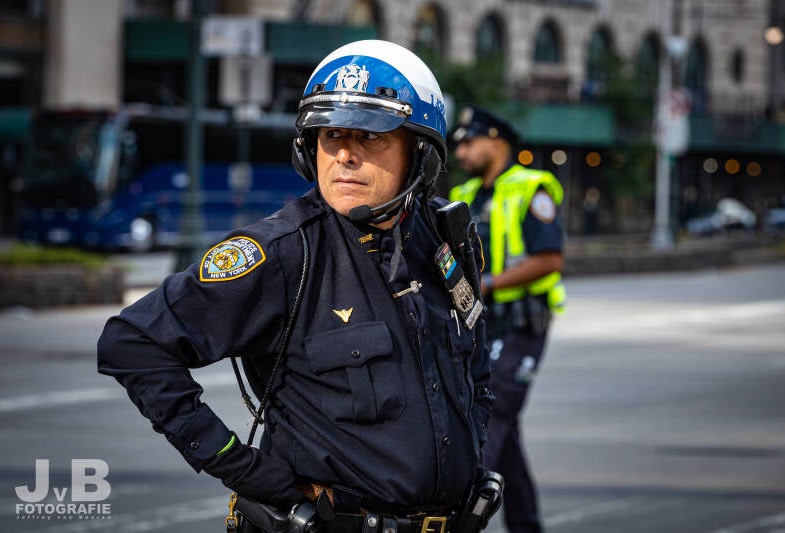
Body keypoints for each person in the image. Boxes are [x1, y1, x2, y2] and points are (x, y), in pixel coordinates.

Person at [97, 40, 499, 533]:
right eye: (331, 135)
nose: (345, 154)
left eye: (370, 137)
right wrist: (241, 467)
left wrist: (472, 446)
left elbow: (475, 357)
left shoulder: (445, 240)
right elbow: (132, 341)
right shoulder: (283, 251)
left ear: (421, 154)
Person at [449, 106, 566, 533]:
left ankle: (459, 518)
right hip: (481, 327)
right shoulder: (466, 194)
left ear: (496, 142)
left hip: (520, 326)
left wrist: (489, 284)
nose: (460, 150)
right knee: (506, 439)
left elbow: (550, 259)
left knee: (491, 416)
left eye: (468, 141)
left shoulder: (531, 188)